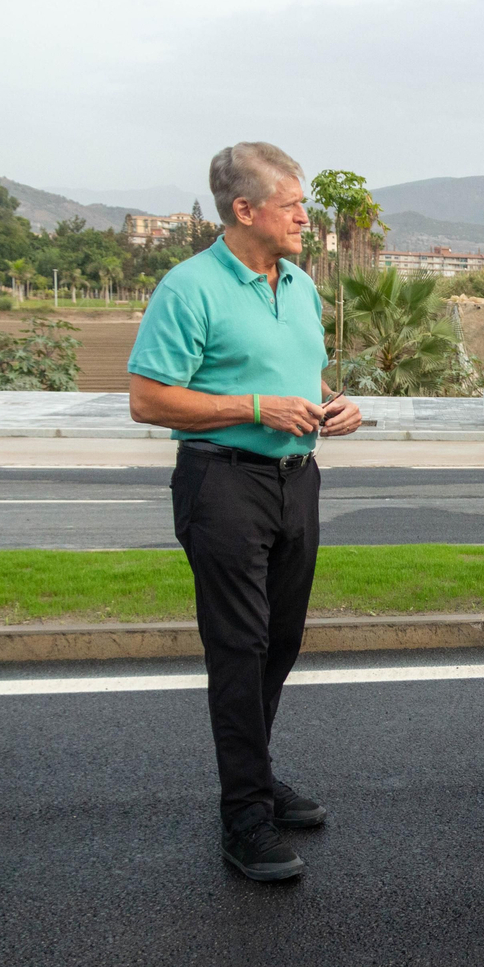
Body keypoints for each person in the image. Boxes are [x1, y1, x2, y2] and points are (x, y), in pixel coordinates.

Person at [127, 142, 363, 882]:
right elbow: (147, 399)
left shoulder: (298, 284)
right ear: (245, 210)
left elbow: (303, 371)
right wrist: (254, 407)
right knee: (240, 646)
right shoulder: (188, 287)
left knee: (282, 639)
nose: (305, 215)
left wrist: (331, 404)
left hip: (299, 479)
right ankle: (243, 818)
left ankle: (253, 776)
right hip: (221, 481)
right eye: (293, 203)